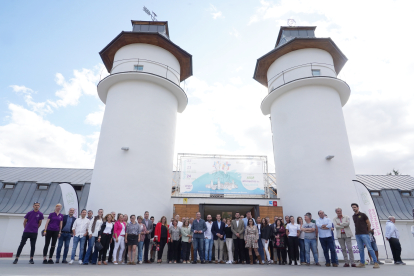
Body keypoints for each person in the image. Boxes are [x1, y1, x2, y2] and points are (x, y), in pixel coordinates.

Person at [351, 203, 380, 269]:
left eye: (355, 207)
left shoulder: (363, 215)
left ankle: (376, 262)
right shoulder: (353, 216)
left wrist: (368, 230)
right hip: (357, 234)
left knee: (369, 248)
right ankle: (362, 263)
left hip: (364, 233)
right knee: (361, 249)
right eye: (352, 207)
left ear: (358, 207)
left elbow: (368, 223)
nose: (353, 208)